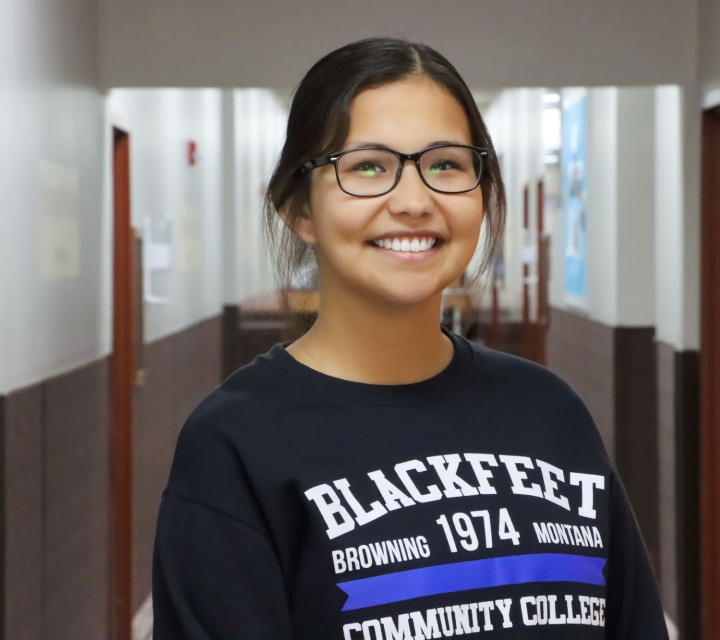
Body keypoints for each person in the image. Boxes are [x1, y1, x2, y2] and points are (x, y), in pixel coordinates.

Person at [152, 36, 668, 639]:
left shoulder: (550, 413)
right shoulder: (236, 444)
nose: (415, 201)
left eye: (446, 164)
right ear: (298, 209)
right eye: (367, 166)